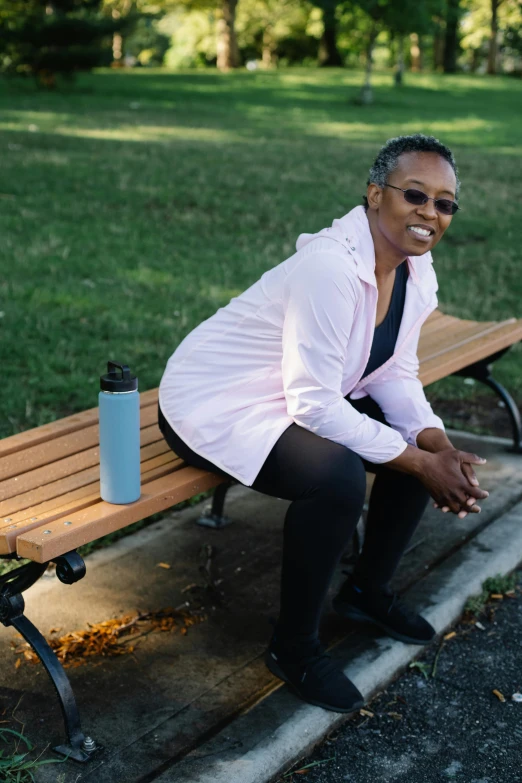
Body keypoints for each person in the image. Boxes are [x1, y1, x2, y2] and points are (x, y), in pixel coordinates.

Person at [157, 133, 489, 714]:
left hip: (295, 393)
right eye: (415, 194)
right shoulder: (330, 267)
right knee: (336, 478)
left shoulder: (415, 269)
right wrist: (416, 460)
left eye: (444, 203)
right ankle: (295, 648)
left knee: (406, 442)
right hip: (214, 402)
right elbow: (312, 404)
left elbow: (395, 371)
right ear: (374, 194)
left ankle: (366, 592)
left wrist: (436, 444)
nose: (429, 213)